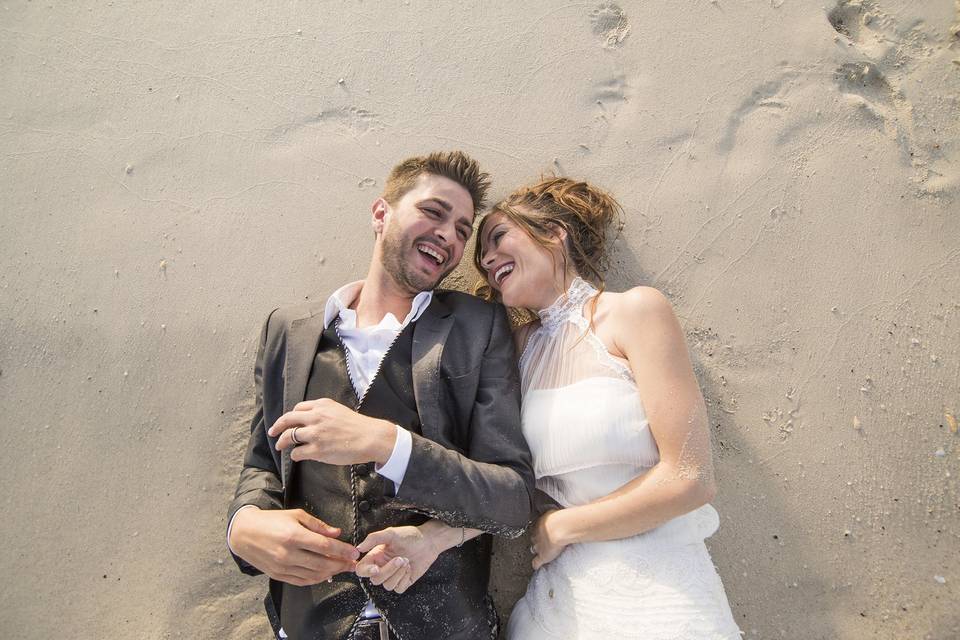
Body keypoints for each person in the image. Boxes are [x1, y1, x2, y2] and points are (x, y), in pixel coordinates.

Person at [374, 176, 742, 639]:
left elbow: (690, 477)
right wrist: (433, 537)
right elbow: (506, 483)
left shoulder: (635, 312)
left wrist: (566, 526)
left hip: (660, 590)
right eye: (482, 253)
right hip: (561, 598)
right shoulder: (516, 349)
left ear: (553, 232)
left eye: (498, 238)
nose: (486, 260)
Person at [225, 151, 535, 640]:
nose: (450, 236)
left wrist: (388, 444)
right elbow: (263, 463)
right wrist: (242, 526)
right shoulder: (289, 330)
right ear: (381, 213)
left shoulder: (479, 327)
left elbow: (513, 499)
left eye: (461, 229)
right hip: (308, 624)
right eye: (434, 212)